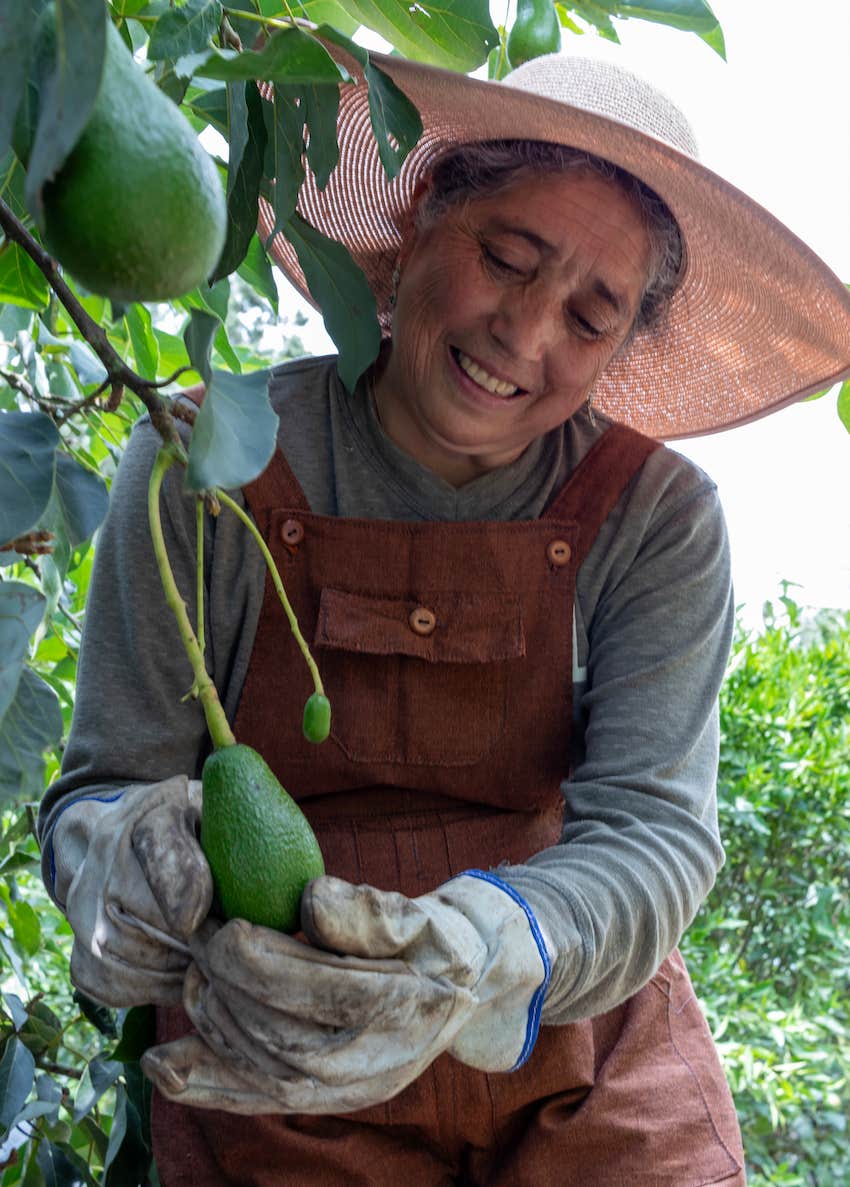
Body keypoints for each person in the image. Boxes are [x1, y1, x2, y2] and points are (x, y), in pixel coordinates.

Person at [37, 48, 850, 1187]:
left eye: (591, 313)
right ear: (418, 219)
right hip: (280, 1054)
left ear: (624, 346)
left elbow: (656, 835)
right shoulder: (205, 460)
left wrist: (477, 951)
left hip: (576, 1049)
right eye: (504, 258)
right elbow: (102, 784)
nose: (525, 333)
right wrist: (117, 858)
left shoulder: (657, 518)